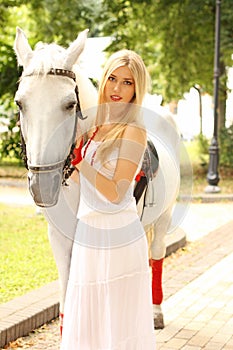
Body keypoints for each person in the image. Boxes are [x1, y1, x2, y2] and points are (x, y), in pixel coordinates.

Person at [60, 49, 156, 349]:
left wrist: (81, 162)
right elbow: (76, 181)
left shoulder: (134, 131)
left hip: (117, 238)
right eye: (112, 79)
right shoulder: (96, 128)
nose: (116, 88)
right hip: (88, 234)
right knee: (88, 326)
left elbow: (116, 193)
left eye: (126, 82)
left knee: (117, 329)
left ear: (136, 89)